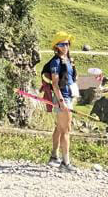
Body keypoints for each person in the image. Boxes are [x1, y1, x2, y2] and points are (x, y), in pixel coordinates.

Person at [45, 31, 78, 171]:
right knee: (66, 130)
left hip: (69, 96)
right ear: (56, 46)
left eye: (67, 43)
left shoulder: (69, 60)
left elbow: (72, 80)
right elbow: (55, 84)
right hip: (63, 98)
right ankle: (65, 163)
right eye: (62, 44)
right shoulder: (56, 62)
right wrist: (61, 101)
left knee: (60, 128)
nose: (66, 46)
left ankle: (54, 156)